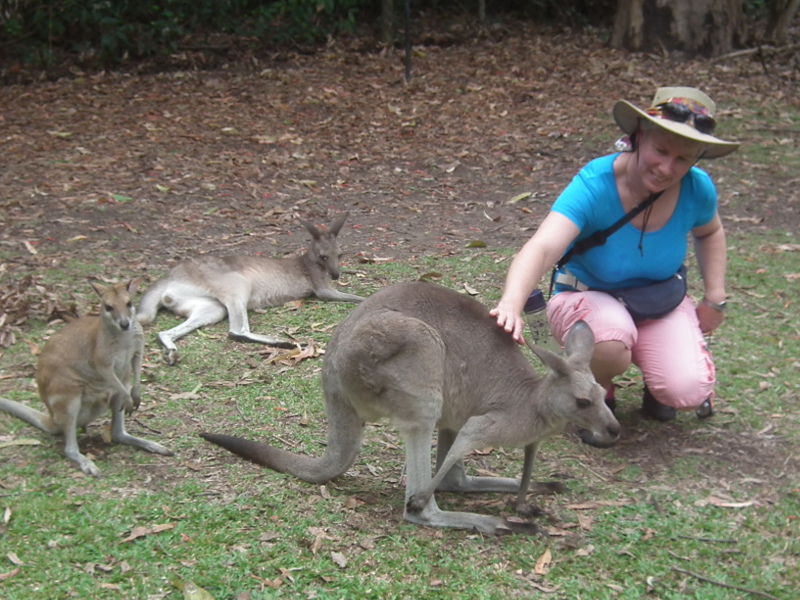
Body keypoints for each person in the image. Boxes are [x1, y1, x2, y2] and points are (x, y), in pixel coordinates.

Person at [490, 87, 739, 445]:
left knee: (686, 389)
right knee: (609, 340)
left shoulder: (697, 188)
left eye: (683, 159)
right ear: (638, 136)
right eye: (661, 150)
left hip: (657, 300)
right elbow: (543, 246)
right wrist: (512, 302)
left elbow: (710, 231)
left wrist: (715, 296)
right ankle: (597, 390)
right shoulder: (595, 183)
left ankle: (659, 382)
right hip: (589, 297)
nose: (668, 168)